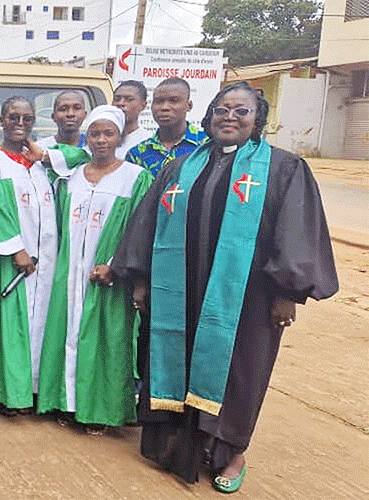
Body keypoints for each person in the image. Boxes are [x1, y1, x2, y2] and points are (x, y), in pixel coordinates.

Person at [112, 82, 338, 493]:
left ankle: (232, 452)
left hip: (247, 298)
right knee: (176, 359)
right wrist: (142, 279)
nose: (230, 117)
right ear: (209, 115)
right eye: (222, 110)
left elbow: (295, 232)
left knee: (239, 373)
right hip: (180, 289)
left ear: (258, 120)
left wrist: (288, 291)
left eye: (242, 111)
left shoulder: (283, 168)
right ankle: (181, 444)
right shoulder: (181, 167)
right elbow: (149, 223)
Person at [36, 105, 153, 433]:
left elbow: (139, 229)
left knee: (105, 337)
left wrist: (115, 266)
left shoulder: (134, 178)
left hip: (107, 275)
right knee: (66, 331)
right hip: (70, 270)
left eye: (108, 133)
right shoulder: (71, 177)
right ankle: (66, 401)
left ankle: (99, 410)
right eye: (95, 134)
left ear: (119, 136)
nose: (101, 140)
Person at [0, 96, 56, 415]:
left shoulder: (41, 162)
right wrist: (16, 249)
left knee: (40, 325)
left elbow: (80, 159)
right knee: (8, 325)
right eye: (13, 117)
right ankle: (6, 392)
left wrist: (43, 155)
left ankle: (32, 389)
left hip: (45, 261)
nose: (20, 123)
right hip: (12, 260)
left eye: (27, 118)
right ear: (1, 120)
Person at [125, 77, 207, 177]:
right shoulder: (137, 153)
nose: (164, 107)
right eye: (158, 101)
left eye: (173, 101)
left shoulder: (207, 145)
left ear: (189, 105)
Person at [35, 90, 89, 180]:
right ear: (53, 116)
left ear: (85, 115)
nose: (70, 114)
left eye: (77, 108)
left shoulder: (92, 148)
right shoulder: (40, 149)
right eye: (63, 109)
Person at [112, 80, 153, 159]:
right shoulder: (101, 139)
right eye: (117, 99)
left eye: (129, 99)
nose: (121, 103)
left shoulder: (148, 141)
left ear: (143, 106)